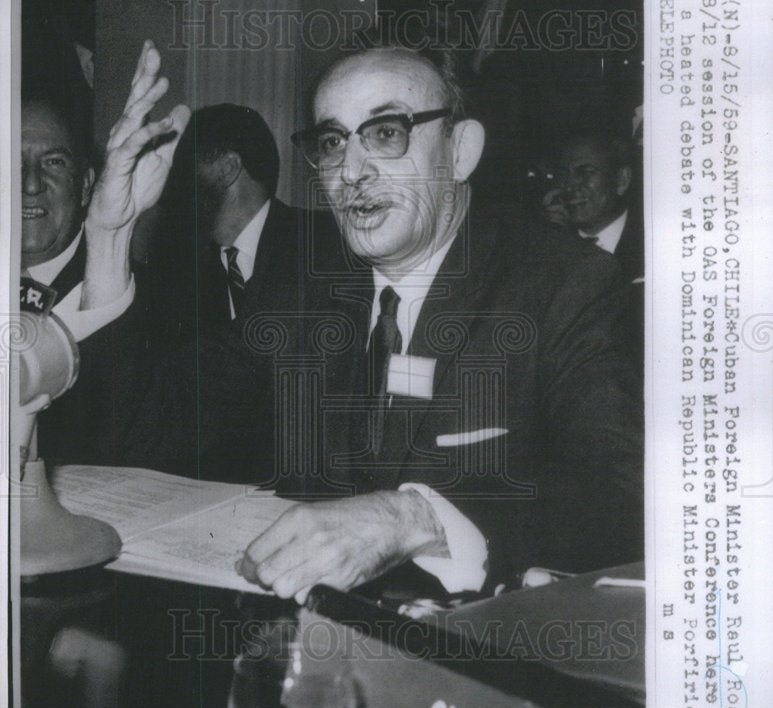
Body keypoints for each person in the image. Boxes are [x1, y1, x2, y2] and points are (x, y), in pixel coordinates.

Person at [77, 40, 643, 603]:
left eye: (386, 132)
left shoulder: (565, 285)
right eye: (331, 141)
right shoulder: (304, 287)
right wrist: (109, 233)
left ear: (461, 151)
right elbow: (142, 431)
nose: (350, 170)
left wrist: (415, 518)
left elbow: (625, 496)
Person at [152, 103, 302, 333]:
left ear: (228, 168)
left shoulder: (321, 245)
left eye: (182, 164)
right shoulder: (179, 276)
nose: (166, 180)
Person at [543, 129, 644, 283]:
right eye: (562, 174)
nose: (569, 185)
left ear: (621, 180)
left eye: (585, 172)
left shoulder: (654, 247)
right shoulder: (545, 248)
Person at [21, 97, 95, 300]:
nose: (31, 186)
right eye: (10, 161)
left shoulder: (136, 298)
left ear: (85, 185)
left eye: (53, 162)